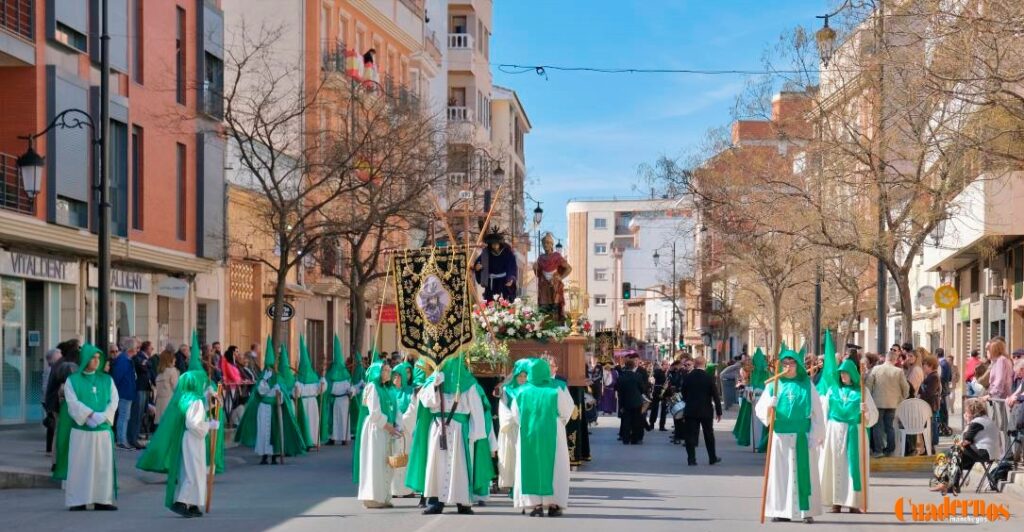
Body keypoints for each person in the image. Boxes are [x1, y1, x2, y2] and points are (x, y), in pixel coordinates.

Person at [136, 361, 223, 518]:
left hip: (188, 439)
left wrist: (211, 401)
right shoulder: (195, 400)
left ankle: (193, 503)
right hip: (194, 438)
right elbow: (193, 422)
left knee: (190, 470)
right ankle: (182, 502)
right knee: (194, 471)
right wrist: (209, 425)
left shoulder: (186, 397)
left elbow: (199, 409)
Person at [410, 354, 489, 515]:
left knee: (459, 466)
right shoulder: (435, 379)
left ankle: (463, 502)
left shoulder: (468, 384)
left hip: (460, 430)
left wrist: (476, 434)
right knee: (436, 465)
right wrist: (434, 384)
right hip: (438, 427)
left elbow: (477, 411)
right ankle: (435, 501)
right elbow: (425, 402)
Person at [755, 349, 825, 523]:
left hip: (802, 435)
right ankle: (780, 510)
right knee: (781, 473)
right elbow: (760, 409)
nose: (788, 367)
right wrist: (769, 406)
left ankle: (806, 511)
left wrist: (815, 434)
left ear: (797, 365)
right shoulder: (774, 384)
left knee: (805, 473)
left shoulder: (807, 385)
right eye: (785, 364)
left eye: (792, 363)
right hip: (781, 436)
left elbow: (817, 411)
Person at [53, 344, 119, 511]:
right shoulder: (73, 380)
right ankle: (78, 500)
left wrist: (102, 417)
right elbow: (72, 402)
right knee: (80, 466)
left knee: (102, 466)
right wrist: (89, 415)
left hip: (102, 431)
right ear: (85, 359)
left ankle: (102, 499)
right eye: (93, 358)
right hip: (82, 431)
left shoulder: (107, 380)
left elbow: (114, 400)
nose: (96, 361)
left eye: (98, 358)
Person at [512, 358, 574, 517]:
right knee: (556, 466)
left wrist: (527, 423)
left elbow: (515, 414)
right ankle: (554, 504)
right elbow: (567, 409)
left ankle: (535, 505)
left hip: (528, 431)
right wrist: (559, 423)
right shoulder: (557, 388)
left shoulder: (521, 391)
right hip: (553, 431)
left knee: (529, 464)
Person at [819, 359, 878, 514]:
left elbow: (874, 416)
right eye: (841, 373)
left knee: (853, 466)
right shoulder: (832, 390)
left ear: (853, 374)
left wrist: (866, 411)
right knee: (835, 465)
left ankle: (853, 502)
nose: (843, 376)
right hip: (834, 431)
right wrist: (821, 433)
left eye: (846, 373)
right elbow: (824, 413)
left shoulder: (863, 391)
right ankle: (836, 502)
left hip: (855, 432)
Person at [234, 344, 307, 464]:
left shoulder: (279, 378)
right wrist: (266, 381)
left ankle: (274, 456)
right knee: (263, 432)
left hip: (275, 408)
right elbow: (260, 391)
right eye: (267, 367)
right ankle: (263, 456)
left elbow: (283, 396)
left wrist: (279, 394)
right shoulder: (263, 378)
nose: (269, 370)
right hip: (263, 408)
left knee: (275, 433)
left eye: (271, 367)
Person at [930, 398, 1000, 495]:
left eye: (967, 411)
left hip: (983, 452)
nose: (965, 413)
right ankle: (949, 484)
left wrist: (968, 423)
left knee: (954, 453)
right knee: (955, 455)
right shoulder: (984, 419)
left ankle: (948, 484)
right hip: (987, 452)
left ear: (972, 411)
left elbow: (966, 440)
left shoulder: (977, 422)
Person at [354, 361, 400, 509]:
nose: (389, 372)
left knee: (386, 463)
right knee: (375, 463)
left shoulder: (388, 389)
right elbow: (374, 413)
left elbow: (396, 409)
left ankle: (384, 497)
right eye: (385, 370)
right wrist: (388, 426)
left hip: (387, 430)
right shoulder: (372, 387)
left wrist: (398, 425)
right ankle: (372, 498)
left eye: (389, 370)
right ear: (377, 372)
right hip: (376, 429)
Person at [865, 348, 909, 457]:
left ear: (886, 359)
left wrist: (868, 401)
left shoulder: (876, 369)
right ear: (895, 360)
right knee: (889, 427)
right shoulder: (898, 371)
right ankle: (890, 450)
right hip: (893, 403)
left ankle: (878, 450)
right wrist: (902, 398)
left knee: (877, 426)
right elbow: (906, 387)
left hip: (877, 402)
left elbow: (868, 386)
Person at [497, 358, 533, 489]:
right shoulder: (507, 390)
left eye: (525, 376)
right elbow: (503, 409)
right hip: (512, 428)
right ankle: (511, 484)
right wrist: (516, 419)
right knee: (512, 456)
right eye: (520, 376)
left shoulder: (530, 390)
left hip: (525, 428)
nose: (522, 379)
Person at [681, 356, 722, 466]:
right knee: (708, 434)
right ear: (705, 364)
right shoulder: (709, 378)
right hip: (706, 411)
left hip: (690, 410)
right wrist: (719, 412)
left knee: (690, 435)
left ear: (694, 364)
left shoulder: (688, 377)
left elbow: (683, 393)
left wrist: (688, 401)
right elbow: (716, 396)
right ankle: (712, 457)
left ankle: (691, 459)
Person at [390, 361, 417, 498]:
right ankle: (394, 489)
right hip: (393, 430)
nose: (396, 379)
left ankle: (407, 489)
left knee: (407, 458)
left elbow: (413, 409)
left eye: (399, 376)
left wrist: (403, 423)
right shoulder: (389, 392)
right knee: (393, 458)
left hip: (406, 430)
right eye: (394, 376)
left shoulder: (410, 392)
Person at [734, 347, 769, 452]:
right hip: (754, 404)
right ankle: (756, 444)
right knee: (755, 427)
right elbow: (749, 389)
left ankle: (761, 444)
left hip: (763, 405)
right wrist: (750, 392)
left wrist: (757, 392)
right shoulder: (753, 374)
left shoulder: (767, 374)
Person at [322, 336, 354, 446]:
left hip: (344, 399)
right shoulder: (331, 375)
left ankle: (345, 438)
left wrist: (351, 392)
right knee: (334, 419)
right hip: (334, 400)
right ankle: (333, 437)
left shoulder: (346, 376)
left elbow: (351, 387)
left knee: (344, 419)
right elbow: (326, 386)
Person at [533, 232, 572, 320]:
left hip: (555, 286)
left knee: (556, 308)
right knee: (544, 309)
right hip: (544, 287)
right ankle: (545, 326)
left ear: (551, 244)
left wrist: (560, 278)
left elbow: (569, 268)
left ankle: (557, 327)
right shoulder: (540, 258)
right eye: (543, 243)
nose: (545, 245)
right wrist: (534, 268)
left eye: (547, 243)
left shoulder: (556, 256)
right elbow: (538, 274)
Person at [295, 337, 325, 451]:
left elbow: (320, 390)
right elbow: (296, 394)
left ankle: (313, 441)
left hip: (312, 402)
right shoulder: (298, 379)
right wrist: (297, 388)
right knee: (305, 422)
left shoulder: (313, 378)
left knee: (313, 422)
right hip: (304, 403)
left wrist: (323, 382)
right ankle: (305, 442)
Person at [474, 227, 518, 303]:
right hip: (491, 283)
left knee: (505, 302)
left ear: (500, 243)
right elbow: (478, 263)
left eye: (496, 243)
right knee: (491, 303)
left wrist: (511, 278)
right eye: (492, 244)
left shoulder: (507, 252)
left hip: (504, 281)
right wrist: (477, 267)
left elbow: (512, 266)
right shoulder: (486, 252)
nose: (494, 245)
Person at [110, 337, 140, 450]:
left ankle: (122, 439)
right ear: (131, 349)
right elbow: (117, 377)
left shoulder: (125, 360)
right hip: (124, 392)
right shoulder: (123, 360)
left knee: (124, 416)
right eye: (136, 348)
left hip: (127, 392)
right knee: (123, 417)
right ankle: (121, 440)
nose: (137, 350)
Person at [616, 357, 646, 445]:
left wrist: (621, 405)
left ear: (625, 366)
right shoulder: (638, 376)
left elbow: (619, 391)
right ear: (633, 367)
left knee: (626, 421)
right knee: (636, 420)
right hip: (637, 402)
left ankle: (625, 439)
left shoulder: (621, 377)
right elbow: (642, 389)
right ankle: (634, 439)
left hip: (625, 402)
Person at [132, 340, 155, 442]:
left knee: (142, 413)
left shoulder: (146, 358)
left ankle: (136, 434)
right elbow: (143, 367)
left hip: (146, 387)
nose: (152, 350)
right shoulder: (139, 356)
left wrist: (147, 364)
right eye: (151, 348)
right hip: (140, 387)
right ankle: (134, 436)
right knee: (138, 413)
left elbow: (149, 365)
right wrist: (146, 364)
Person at [918, 355, 942, 451]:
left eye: (925, 365)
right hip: (929, 406)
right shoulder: (931, 376)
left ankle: (931, 447)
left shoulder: (934, 377)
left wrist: (920, 395)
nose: (923, 367)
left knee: (931, 427)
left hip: (931, 406)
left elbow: (929, 392)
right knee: (929, 427)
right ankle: (928, 447)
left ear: (931, 366)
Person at [43, 347, 63, 454]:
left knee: (52, 424)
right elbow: (46, 387)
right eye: (59, 356)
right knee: (52, 424)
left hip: (50, 399)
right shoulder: (51, 370)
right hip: (50, 400)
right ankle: (50, 449)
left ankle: (49, 448)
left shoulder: (53, 369)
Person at [153, 349, 180, 427]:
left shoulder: (160, 372)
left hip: (160, 401)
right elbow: (176, 387)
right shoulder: (172, 371)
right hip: (170, 401)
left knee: (160, 424)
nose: (175, 359)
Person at [648, 360, 669, 431]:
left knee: (664, 409)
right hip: (657, 391)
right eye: (665, 364)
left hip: (665, 392)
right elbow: (652, 379)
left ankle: (662, 426)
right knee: (654, 408)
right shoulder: (657, 371)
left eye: (667, 364)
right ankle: (651, 424)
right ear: (662, 365)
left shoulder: (668, 373)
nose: (667, 366)